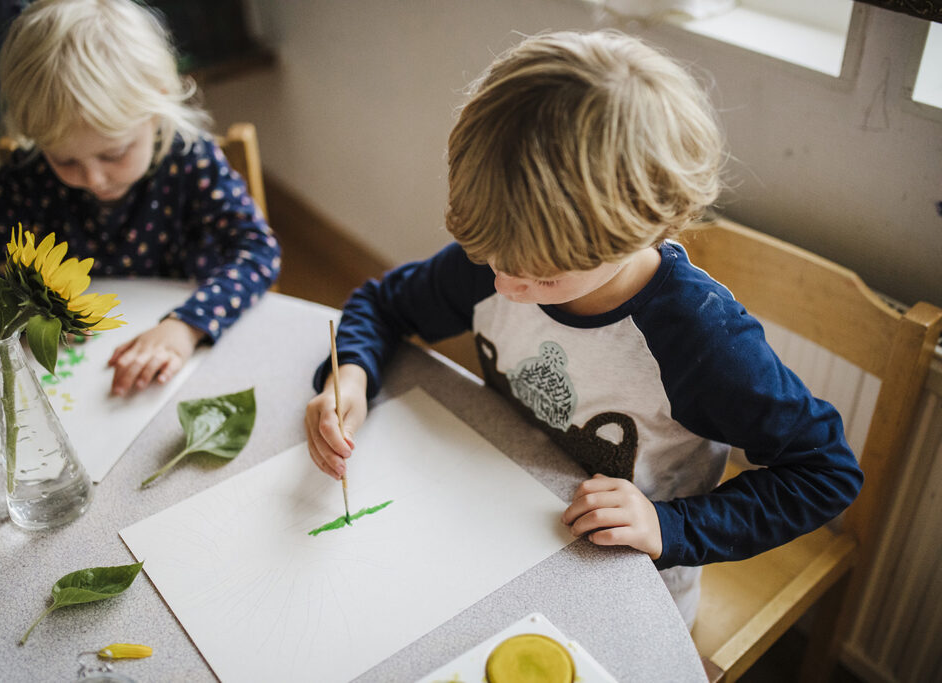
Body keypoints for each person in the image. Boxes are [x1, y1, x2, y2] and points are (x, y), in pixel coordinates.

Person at [303, 30, 862, 628]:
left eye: (543, 279)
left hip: (628, 583)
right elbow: (387, 304)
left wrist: (669, 525)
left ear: (640, 232)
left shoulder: (702, 338)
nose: (506, 286)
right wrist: (353, 375)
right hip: (496, 520)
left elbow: (825, 473)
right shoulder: (509, 252)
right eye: (491, 259)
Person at [0, 0, 280, 396]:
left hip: (178, 353)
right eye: (64, 160)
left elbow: (257, 251)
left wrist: (186, 326)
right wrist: (17, 312)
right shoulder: (30, 176)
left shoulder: (191, 161)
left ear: (157, 106)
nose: (94, 178)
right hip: (73, 370)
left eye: (113, 154)